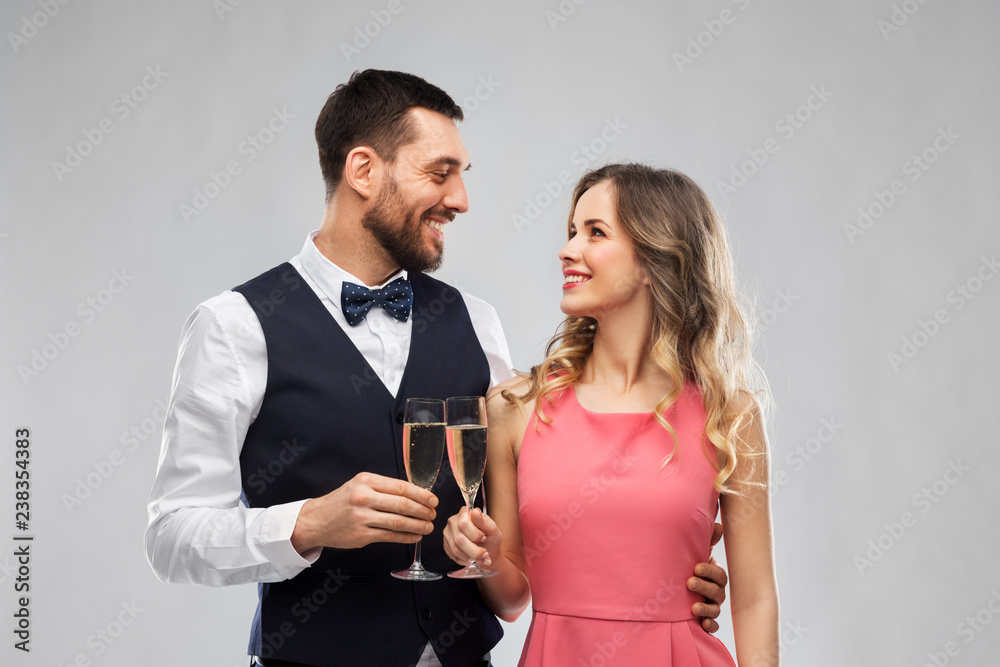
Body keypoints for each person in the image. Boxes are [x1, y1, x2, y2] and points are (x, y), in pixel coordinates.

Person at [145, 69, 730, 667]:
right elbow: (171, 538)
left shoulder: (477, 322)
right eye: (439, 173)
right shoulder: (233, 326)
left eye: (461, 176)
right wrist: (308, 524)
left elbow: (535, 522)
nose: (460, 200)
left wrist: (664, 574)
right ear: (364, 171)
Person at [443, 163, 779, 665]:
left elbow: (754, 599)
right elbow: (513, 599)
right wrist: (484, 554)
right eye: (572, 231)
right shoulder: (515, 410)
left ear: (654, 258)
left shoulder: (728, 415)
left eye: (595, 233)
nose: (567, 249)